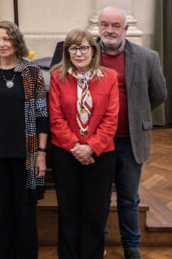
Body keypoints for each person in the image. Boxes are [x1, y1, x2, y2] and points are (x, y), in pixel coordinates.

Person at [96, 7, 167, 259]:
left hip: (130, 141)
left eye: (115, 25)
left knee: (128, 198)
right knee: (99, 198)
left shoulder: (148, 57)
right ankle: (98, 245)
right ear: (98, 26)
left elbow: (158, 95)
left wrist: (136, 113)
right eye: (104, 24)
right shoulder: (86, 54)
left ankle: (131, 248)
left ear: (125, 29)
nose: (109, 30)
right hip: (96, 142)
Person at [0, 20, 48, 259]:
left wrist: (41, 153)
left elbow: (41, 114)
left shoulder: (32, 72)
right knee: (1, 211)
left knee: (25, 211)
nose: (2, 44)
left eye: (6, 38)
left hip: (25, 154)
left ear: (16, 40)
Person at [49, 29, 119, 259]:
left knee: (95, 213)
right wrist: (75, 147)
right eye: (73, 48)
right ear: (67, 52)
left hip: (100, 154)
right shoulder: (57, 75)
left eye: (83, 48)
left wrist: (91, 147)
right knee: (68, 212)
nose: (79, 53)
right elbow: (56, 118)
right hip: (65, 154)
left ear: (93, 50)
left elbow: (111, 119)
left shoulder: (109, 77)